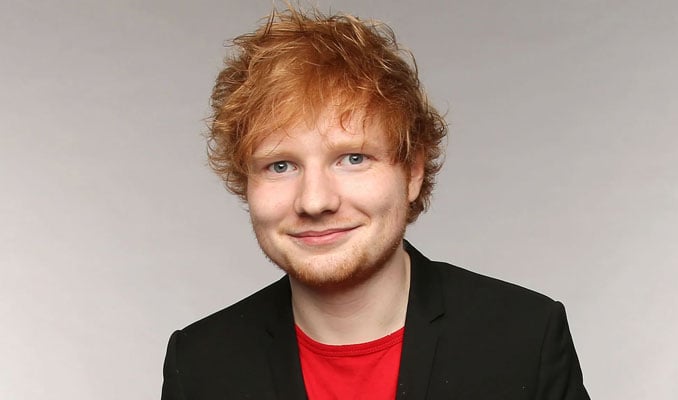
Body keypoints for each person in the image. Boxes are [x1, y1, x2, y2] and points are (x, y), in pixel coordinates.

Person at [161, 6, 589, 400]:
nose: (315, 200)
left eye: (353, 158)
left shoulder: (524, 338)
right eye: (280, 165)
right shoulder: (199, 366)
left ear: (413, 173)